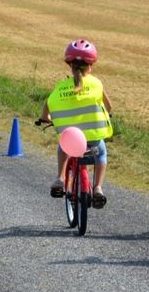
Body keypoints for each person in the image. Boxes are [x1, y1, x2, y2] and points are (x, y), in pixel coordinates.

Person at [39, 39, 113, 209]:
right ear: (91, 65)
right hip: (92, 140)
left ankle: (60, 178)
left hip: (70, 140)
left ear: (70, 65)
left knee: (62, 148)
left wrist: (45, 118)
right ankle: (98, 188)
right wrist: (107, 114)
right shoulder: (96, 84)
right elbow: (109, 106)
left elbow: (47, 105)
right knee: (101, 153)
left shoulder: (60, 87)